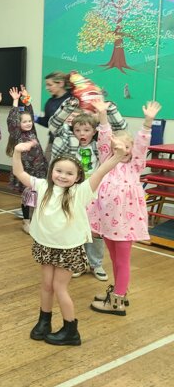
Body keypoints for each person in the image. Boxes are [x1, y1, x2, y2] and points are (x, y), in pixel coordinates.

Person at [12, 138, 125, 346]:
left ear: (78, 177)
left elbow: (101, 171)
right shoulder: (43, 186)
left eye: (69, 173)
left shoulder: (80, 191)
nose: (63, 176)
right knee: (46, 285)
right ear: (51, 171)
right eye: (59, 171)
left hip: (68, 249)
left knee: (59, 287)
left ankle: (71, 329)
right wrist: (18, 152)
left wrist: (117, 155)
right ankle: (44, 322)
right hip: (46, 245)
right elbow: (19, 172)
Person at [89, 100, 161, 316]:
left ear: (132, 149)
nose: (122, 150)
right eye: (116, 147)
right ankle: (119, 291)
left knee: (122, 260)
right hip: (107, 220)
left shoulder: (135, 165)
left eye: (126, 147)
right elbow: (104, 138)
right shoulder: (108, 161)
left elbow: (142, 143)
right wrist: (102, 116)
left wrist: (148, 122)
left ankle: (117, 302)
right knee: (113, 258)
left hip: (125, 222)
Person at [48, 96, 127, 281]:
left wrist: (109, 108)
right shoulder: (67, 141)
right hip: (73, 192)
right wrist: (69, 106)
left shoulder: (100, 145)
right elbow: (54, 124)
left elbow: (120, 128)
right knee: (73, 227)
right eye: (77, 130)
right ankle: (78, 262)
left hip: (95, 193)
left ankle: (95, 263)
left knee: (95, 231)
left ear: (94, 131)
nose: (81, 133)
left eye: (86, 130)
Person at [5, 86, 48, 233]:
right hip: (26, 171)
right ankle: (26, 221)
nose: (28, 123)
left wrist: (27, 99)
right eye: (25, 122)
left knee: (39, 195)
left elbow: (30, 111)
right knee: (27, 196)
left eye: (30, 121)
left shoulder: (32, 131)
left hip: (39, 168)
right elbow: (12, 120)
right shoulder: (17, 134)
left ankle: (37, 220)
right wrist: (15, 101)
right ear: (18, 124)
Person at [36, 71, 72, 161]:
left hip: (71, 142)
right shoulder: (50, 102)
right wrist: (33, 117)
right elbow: (48, 122)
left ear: (61, 83)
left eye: (49, 85)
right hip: (53, 140)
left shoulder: (72, 100)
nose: (47, 88)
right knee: (47, 164)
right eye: (46, 85)